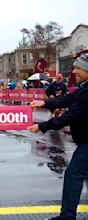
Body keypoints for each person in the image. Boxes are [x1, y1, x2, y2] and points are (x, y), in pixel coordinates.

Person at [27, 52, 88, 220]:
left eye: (77, 68)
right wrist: (45, 103)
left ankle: (67, 217)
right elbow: (68, 99)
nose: (74, 71)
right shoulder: (84, 89)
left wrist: (42, 126)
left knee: (73, 174)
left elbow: (70, 116)